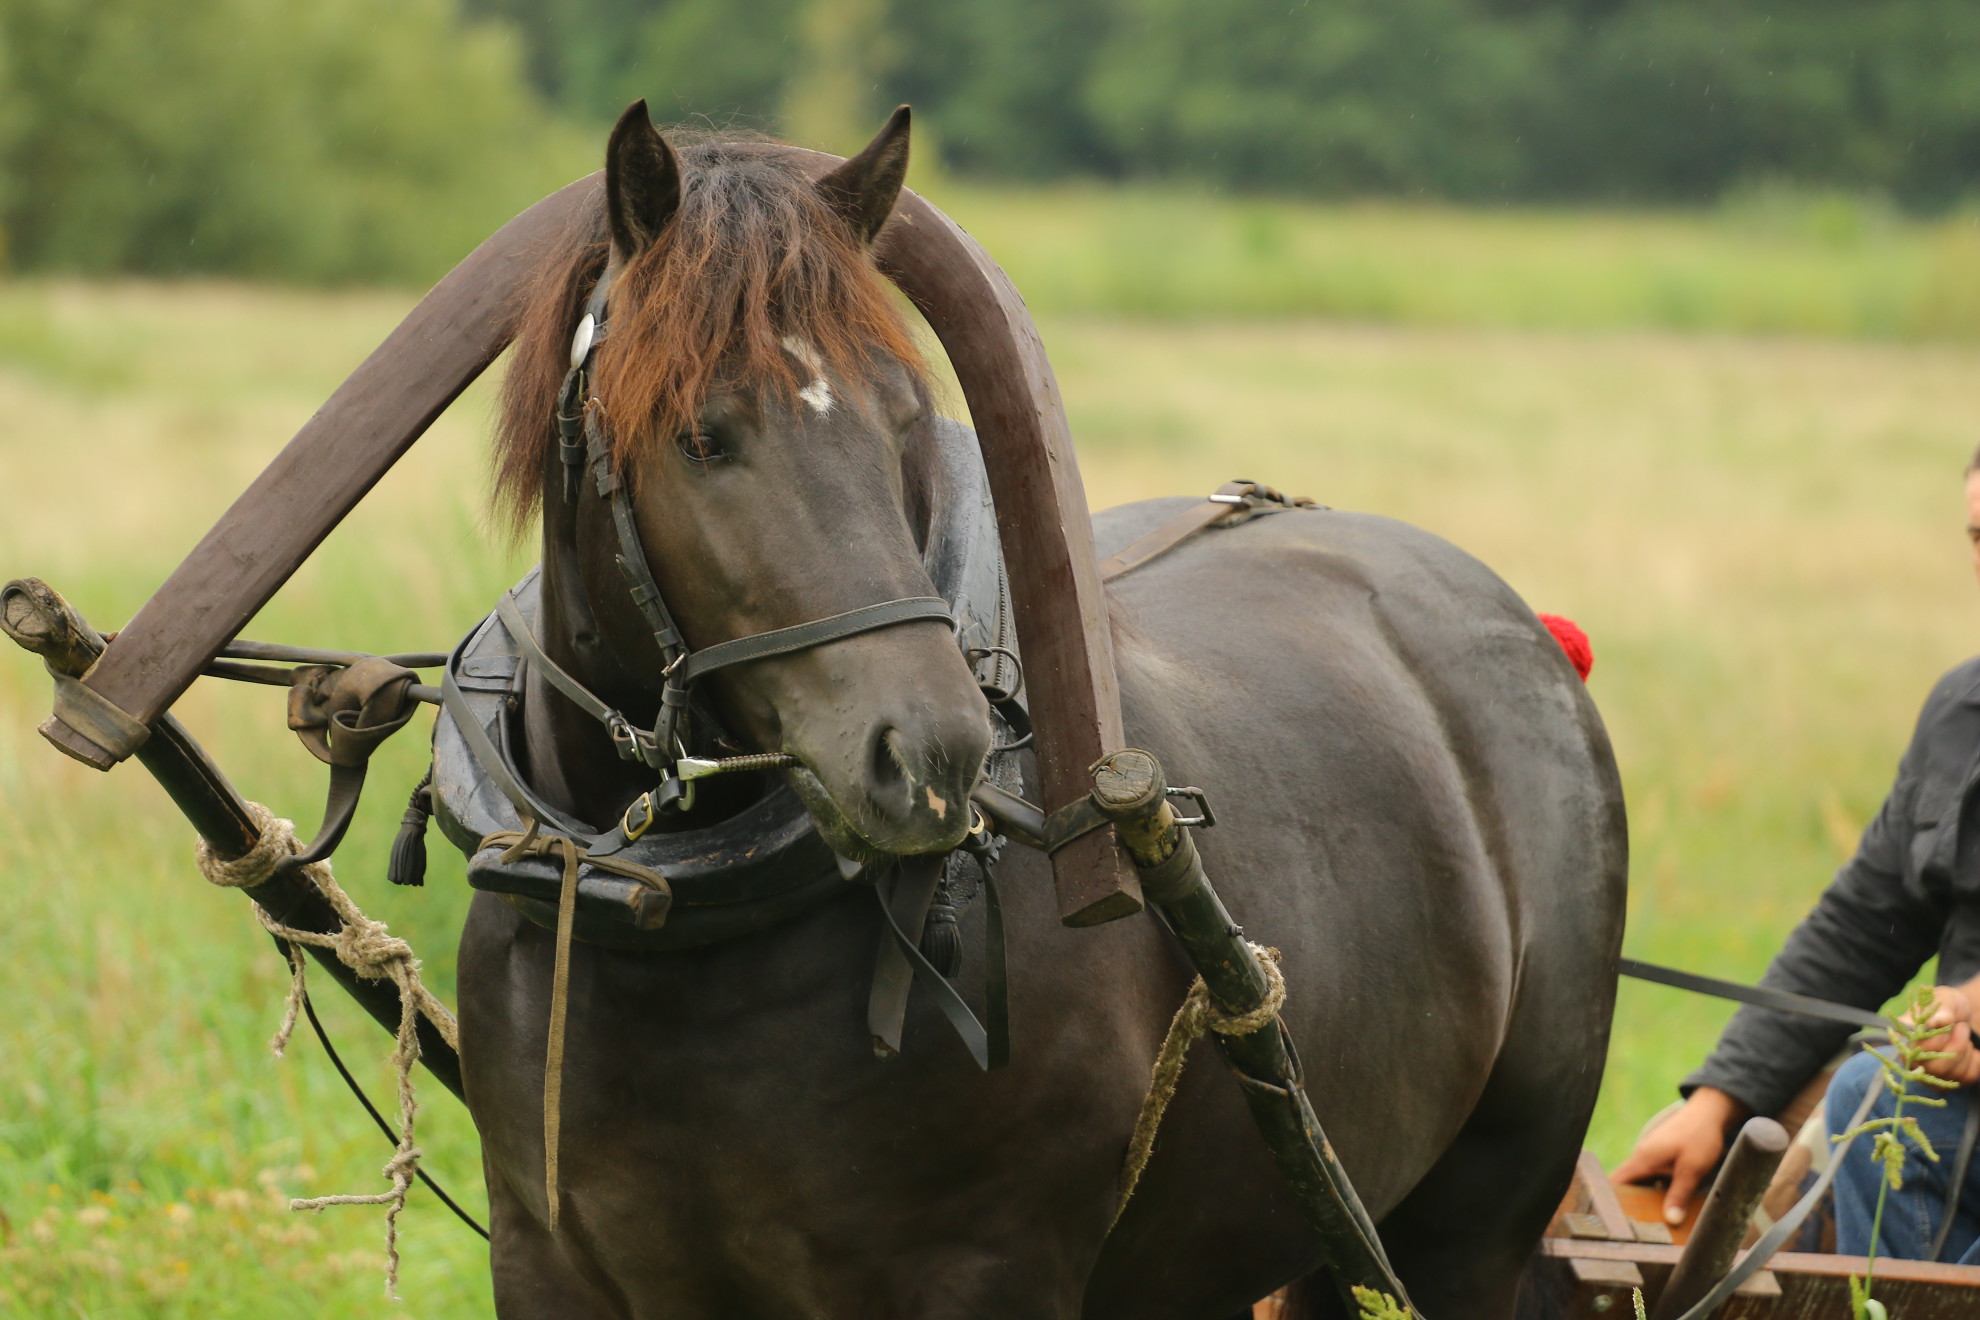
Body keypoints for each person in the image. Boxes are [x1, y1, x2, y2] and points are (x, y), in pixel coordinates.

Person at [1613, 449, 1980, 1265]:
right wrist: (1721, 1098)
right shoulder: (1962, 710)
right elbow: (1860, 928)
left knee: (1880, 1096)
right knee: (1728, 1159)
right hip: (1957, 1073)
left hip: (1952, 1097)